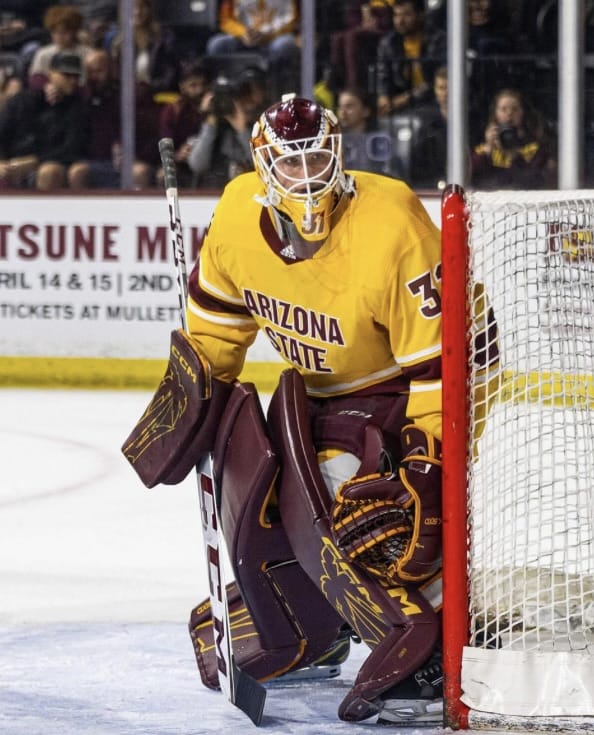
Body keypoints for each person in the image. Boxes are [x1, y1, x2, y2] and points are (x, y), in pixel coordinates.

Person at [124, 93, 443, 725]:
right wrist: (193, 398)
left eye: (318, 157)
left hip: (406, 393)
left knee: (370, 515)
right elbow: (217, 329)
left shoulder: (393, 222)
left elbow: (443, 367)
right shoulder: (240, 214)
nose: (307, 176)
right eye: (290, 165)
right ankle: (310, 631)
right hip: (321, 398)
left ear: (340, 153)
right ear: (262, 166)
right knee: (273, 503)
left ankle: (431, 653)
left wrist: (428, 462)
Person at [68, 48, 157, 189]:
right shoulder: (85, 96)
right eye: (89, 72)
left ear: (112, 69)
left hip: (136, 160)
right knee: (78, 171)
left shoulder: (136, 93)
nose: (94, 77)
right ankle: (82, 211)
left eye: (98, 71)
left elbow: (151, 133)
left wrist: (135, 155)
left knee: (139, 172)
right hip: (99, 163)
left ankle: (137, 211)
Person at [0, 52, 89, 190]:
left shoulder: (78, 107)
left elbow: (72, 147)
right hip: (13, 162)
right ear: (51, 74)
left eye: (76, 76)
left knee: (50, 171)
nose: (72, 81)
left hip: (50, 162)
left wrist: (36, 160)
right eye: (66, 75)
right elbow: (3, 131)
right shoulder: (22, 100)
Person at [187, 67, 267, 189]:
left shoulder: (258, 126)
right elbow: (197, 165)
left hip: (249, 191)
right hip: (213, 193)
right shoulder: (212, 127)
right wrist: (210, 121)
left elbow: (262, 164)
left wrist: (242, 129)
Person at [205, 0, 300, 97]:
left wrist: (268, 35)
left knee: (285, 45)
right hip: (243, 38)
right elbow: (225, 19)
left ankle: (275, 93)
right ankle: (219, 95)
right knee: (217, 44)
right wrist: (242, 32)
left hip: (274, 38)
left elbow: (293, 19)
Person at [470, 87, 557, 190]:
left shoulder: (535, 148)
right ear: (495, 114)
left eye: (515, 109)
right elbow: (473, 178)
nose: (509, 113)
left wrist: (514, 157)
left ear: (522, 113)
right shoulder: (486, 149)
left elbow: (533, 181)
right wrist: (487, 151)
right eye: (503, 109)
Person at [375, 0, 446, 118]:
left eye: (406, 15)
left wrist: (407, 98)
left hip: (433, 103)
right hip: (399, 105)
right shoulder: (389, 43)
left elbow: (438, 80)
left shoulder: (438, 40)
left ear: (421, 15)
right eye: (396, 15)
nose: (400, 21)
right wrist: (383, 97)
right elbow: (383, 75)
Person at [156, 59, 213, 189]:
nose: (200, 90)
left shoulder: (215, 107)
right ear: (182, 86)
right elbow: (163, 142)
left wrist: (205, 115)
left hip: (210, 163)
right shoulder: (173, 110)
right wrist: (177, 155)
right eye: (193, 85)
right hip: (181, 165)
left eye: (203, 84)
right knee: (163, 174)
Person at [110, 0, 179, 96]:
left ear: (150, 10)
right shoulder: (119, 43)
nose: (137, 12)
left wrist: (147, 89)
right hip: (131, 101)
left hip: (159, 98)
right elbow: (117, 79)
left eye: (142, 7)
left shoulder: (164, 38)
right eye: (132, 8)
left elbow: (171, 75)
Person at [337, 87, 403, 177]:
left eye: (349, 106)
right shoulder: (335, 142)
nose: (343, 112)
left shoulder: (379, 142)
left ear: (365, 111)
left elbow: (391, 173)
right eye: (340, 107)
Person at [27, 5, 92, 90]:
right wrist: (47, 86)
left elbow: (87, 81)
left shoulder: (87, 53)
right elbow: (35, 79)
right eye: (55, 32)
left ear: (74, 31)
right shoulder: (43, 53)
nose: (59, 36)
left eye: (64, 32)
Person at [411, 64, 448, 189]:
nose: (445, 93)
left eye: (449, 88)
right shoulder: (425, 119)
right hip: (432, 182)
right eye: (441, 88)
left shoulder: (471, 118)